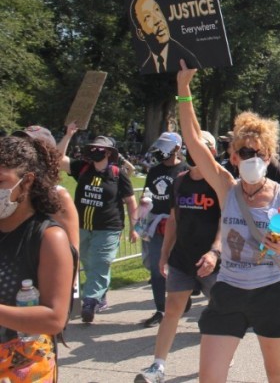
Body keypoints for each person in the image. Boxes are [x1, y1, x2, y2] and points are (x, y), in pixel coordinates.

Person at [176, 62, 280, 383]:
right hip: (229, 292)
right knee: (209, 377)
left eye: (259, 152)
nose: (252, 158)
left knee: (277, 372)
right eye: (244, 152)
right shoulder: (227, 187)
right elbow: (194, 141)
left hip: (272, 292)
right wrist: (183, 89)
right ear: (234, 156)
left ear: (269, 156)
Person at [136, 130, 222, 383]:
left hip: (212, 261)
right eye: (192, 147)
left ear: (213, 152)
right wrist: (164, 254)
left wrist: (215, 252)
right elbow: (173, 219)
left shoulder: (220, 181)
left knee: (218, 312)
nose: (196, 151)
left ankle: (215, 366)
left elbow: (224, 221)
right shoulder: (180, 180)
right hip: (182, 257)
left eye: (203, 147)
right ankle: (157, 366)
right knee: (172, 309)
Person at [0, 135, 75, 381]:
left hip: (26, 363)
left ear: (27, 182)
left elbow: (54, 318)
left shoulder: (49, 237)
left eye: (1, 181)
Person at [58, 123, 139, 323]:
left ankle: (90, 301)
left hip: (109, 228)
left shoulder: (118, 174)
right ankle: (100, 293)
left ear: (108, 153)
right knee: (87, 261)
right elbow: (58, 159)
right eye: (92, 148)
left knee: (101, 262)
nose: (95, 151)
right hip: (82, 227)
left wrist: (135, 227)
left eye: (100, 149)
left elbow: (130, 200)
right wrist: (68, 135)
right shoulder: (82, 169)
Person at [138, 132, 190, 328]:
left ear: (176, 148)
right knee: (156, 268)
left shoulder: (185, 170)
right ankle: (161, 309)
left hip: (178, 225)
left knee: (179, 267)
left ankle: (184, 298)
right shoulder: (154, 171)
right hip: (156, 226)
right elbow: (147, 195)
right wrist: (140, 220)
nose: (160, 152)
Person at [12, 126, 80, 252]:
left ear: (45, 154)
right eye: (21, 144)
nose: (22, 151)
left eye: (31, 146)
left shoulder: (57, 195)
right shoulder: (10, 190)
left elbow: (71, 254)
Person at [130, 0, 201, 74]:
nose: (158, 20)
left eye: (157, 9)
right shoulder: (146, 68)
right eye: (147, 17)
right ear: (140, 34)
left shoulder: (188, 59)